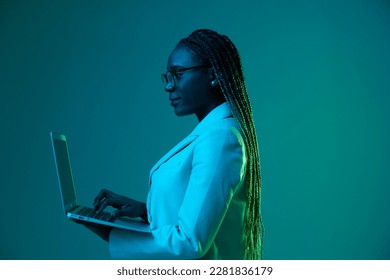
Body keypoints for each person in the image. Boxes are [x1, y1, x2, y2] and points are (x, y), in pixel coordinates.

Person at [79, 29, 264, 260]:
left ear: (214, 74)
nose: (169, 86)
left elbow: (189, 243)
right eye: (168, 76)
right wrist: (147, 211)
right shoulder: (213, 133)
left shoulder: (221, 138)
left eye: (178, 74)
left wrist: (112, 233)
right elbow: (202, 215)